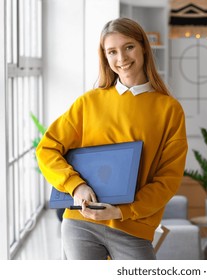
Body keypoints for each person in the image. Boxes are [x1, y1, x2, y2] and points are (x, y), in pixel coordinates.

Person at [36, 17, 188, 260]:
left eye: (128, 47)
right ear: (105, 57)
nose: (122, 58)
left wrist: (122, 211)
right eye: (112, 51)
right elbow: (47, 148)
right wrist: (76, 185)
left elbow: (168, 179)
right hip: (80, 224)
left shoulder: (169, 109)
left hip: (133, 226)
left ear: (143, 48)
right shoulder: (89, 102)